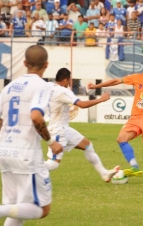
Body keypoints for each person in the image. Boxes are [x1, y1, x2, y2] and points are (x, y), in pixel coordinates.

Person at [0, 45, 63, 225]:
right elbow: (36, 116)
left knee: (17, 209)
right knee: (42, 209)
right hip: (26, 154)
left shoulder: (8, 88)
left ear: (25, 63)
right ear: (47, 64)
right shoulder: (42, 86)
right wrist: (51, 143)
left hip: (4, 151)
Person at [44, 68, 119, 182]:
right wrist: (101, 99)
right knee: (53, 164)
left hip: (64, 129)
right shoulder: (63, 91)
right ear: (65, 80)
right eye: (69, 81)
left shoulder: (49, 86)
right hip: (58, 132)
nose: (70, 84)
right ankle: (29, 169)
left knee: (88, 146)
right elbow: (82, 104)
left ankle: (104, 174)